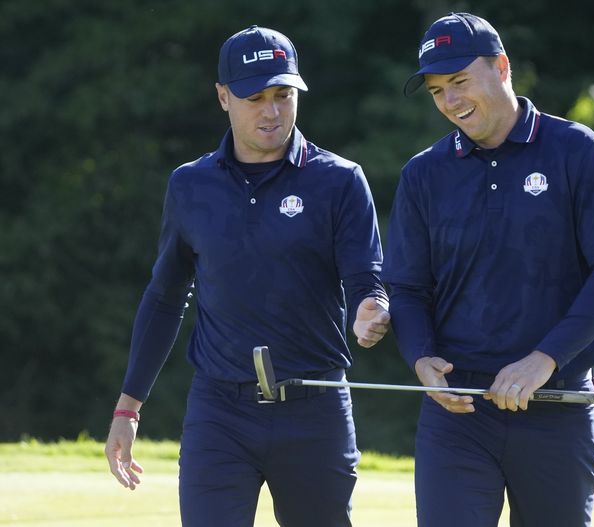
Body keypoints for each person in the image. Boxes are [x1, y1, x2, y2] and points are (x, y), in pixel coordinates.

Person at [104, 25, 390, 527]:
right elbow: (166, 296)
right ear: (223, 97)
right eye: (254, 97)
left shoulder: (339, 180)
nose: (272, 111)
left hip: (314, 406)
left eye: (283, 95)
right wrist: (128, 406)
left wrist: (372, 309)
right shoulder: (191, 185)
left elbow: (365, 280)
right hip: (220, 411)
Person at [383, 12, 594, 527]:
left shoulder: (578, 151)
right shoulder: (423, 174)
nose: (451, 101)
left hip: (556, 404)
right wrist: (420, 358)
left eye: (459, 81)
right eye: (438, 91)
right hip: (457, 414)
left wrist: (543, 359)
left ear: (501, 67)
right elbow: (408, 287)